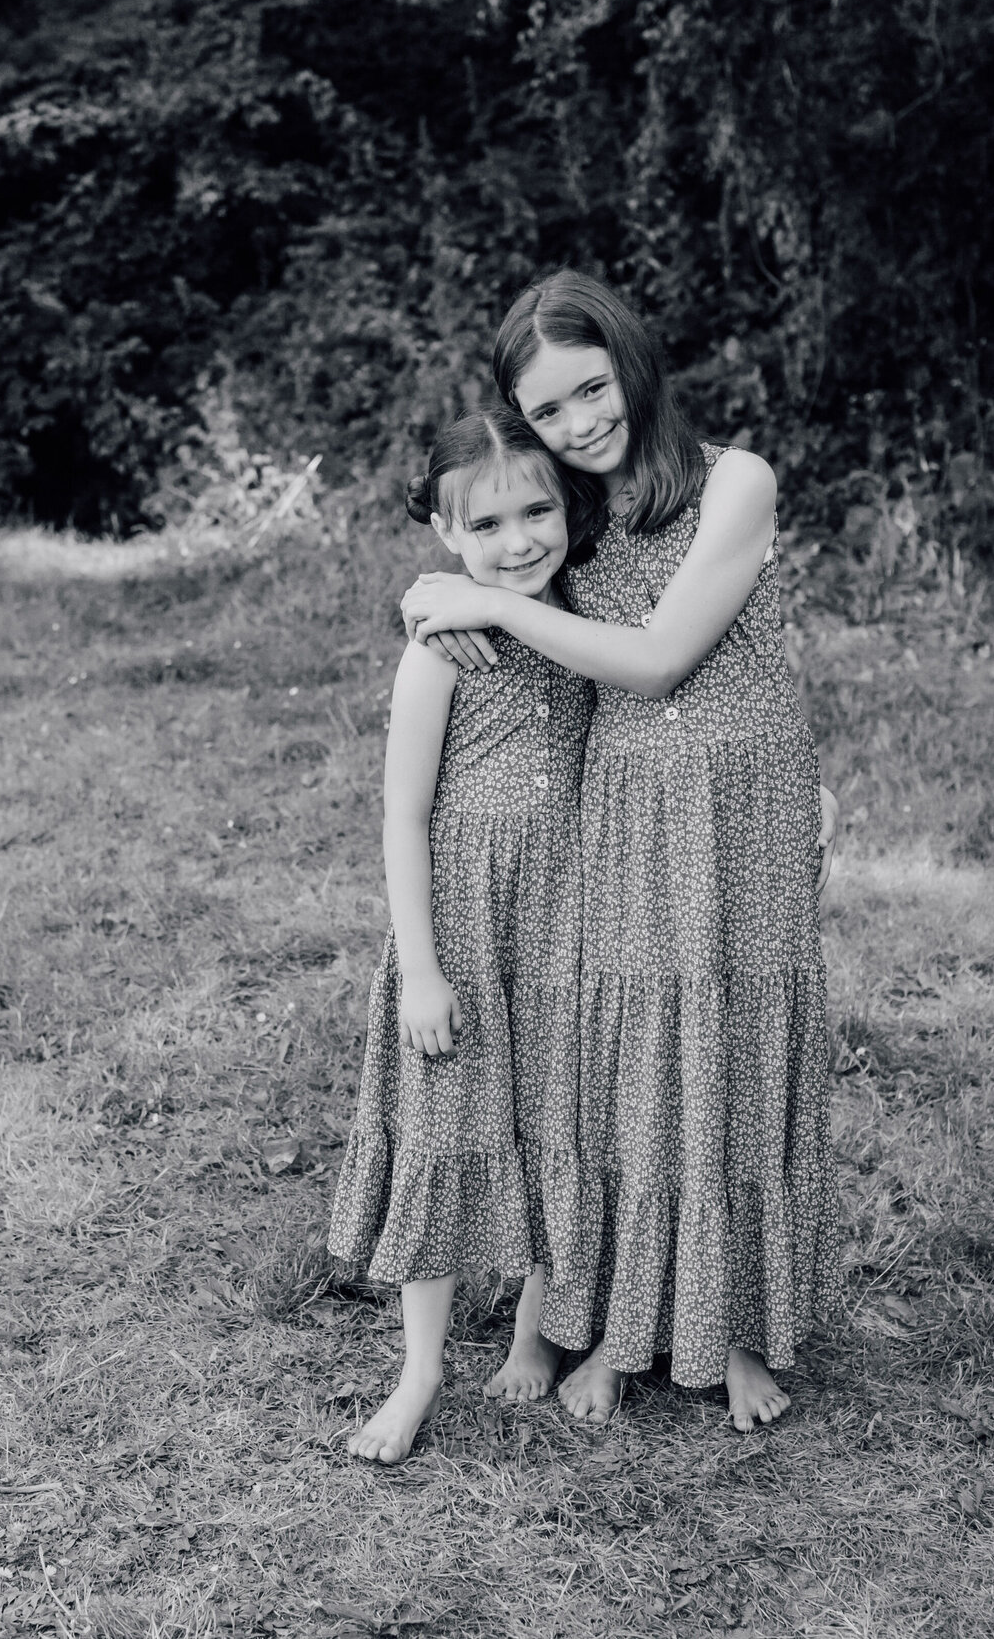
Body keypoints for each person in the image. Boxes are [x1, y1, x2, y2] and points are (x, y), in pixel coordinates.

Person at [401, 270, 840, 1433]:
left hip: (741, 793)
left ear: (632, 363)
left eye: (592, 389)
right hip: (627, 801)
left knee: (739, 1043)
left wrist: (476, 602)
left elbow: (654, 658)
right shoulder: (569, 506)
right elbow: (494, 549)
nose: (581, 422)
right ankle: (625, 1324)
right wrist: (445, 586)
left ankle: (741, 1331)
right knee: (633, 1062)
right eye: (551, 411)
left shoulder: (734, 480)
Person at [329, 406, 594, 1463]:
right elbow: (402, 816)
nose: (520, 539)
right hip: (466, 929)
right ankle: (422, 1366)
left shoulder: (584, 631)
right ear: (446, 534)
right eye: (488, 525)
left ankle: (535, 1329)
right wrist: (422, 970)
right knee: (449, 1127)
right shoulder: (442, 652)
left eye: (540, 510)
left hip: (571, 917)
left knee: (556, 1123)